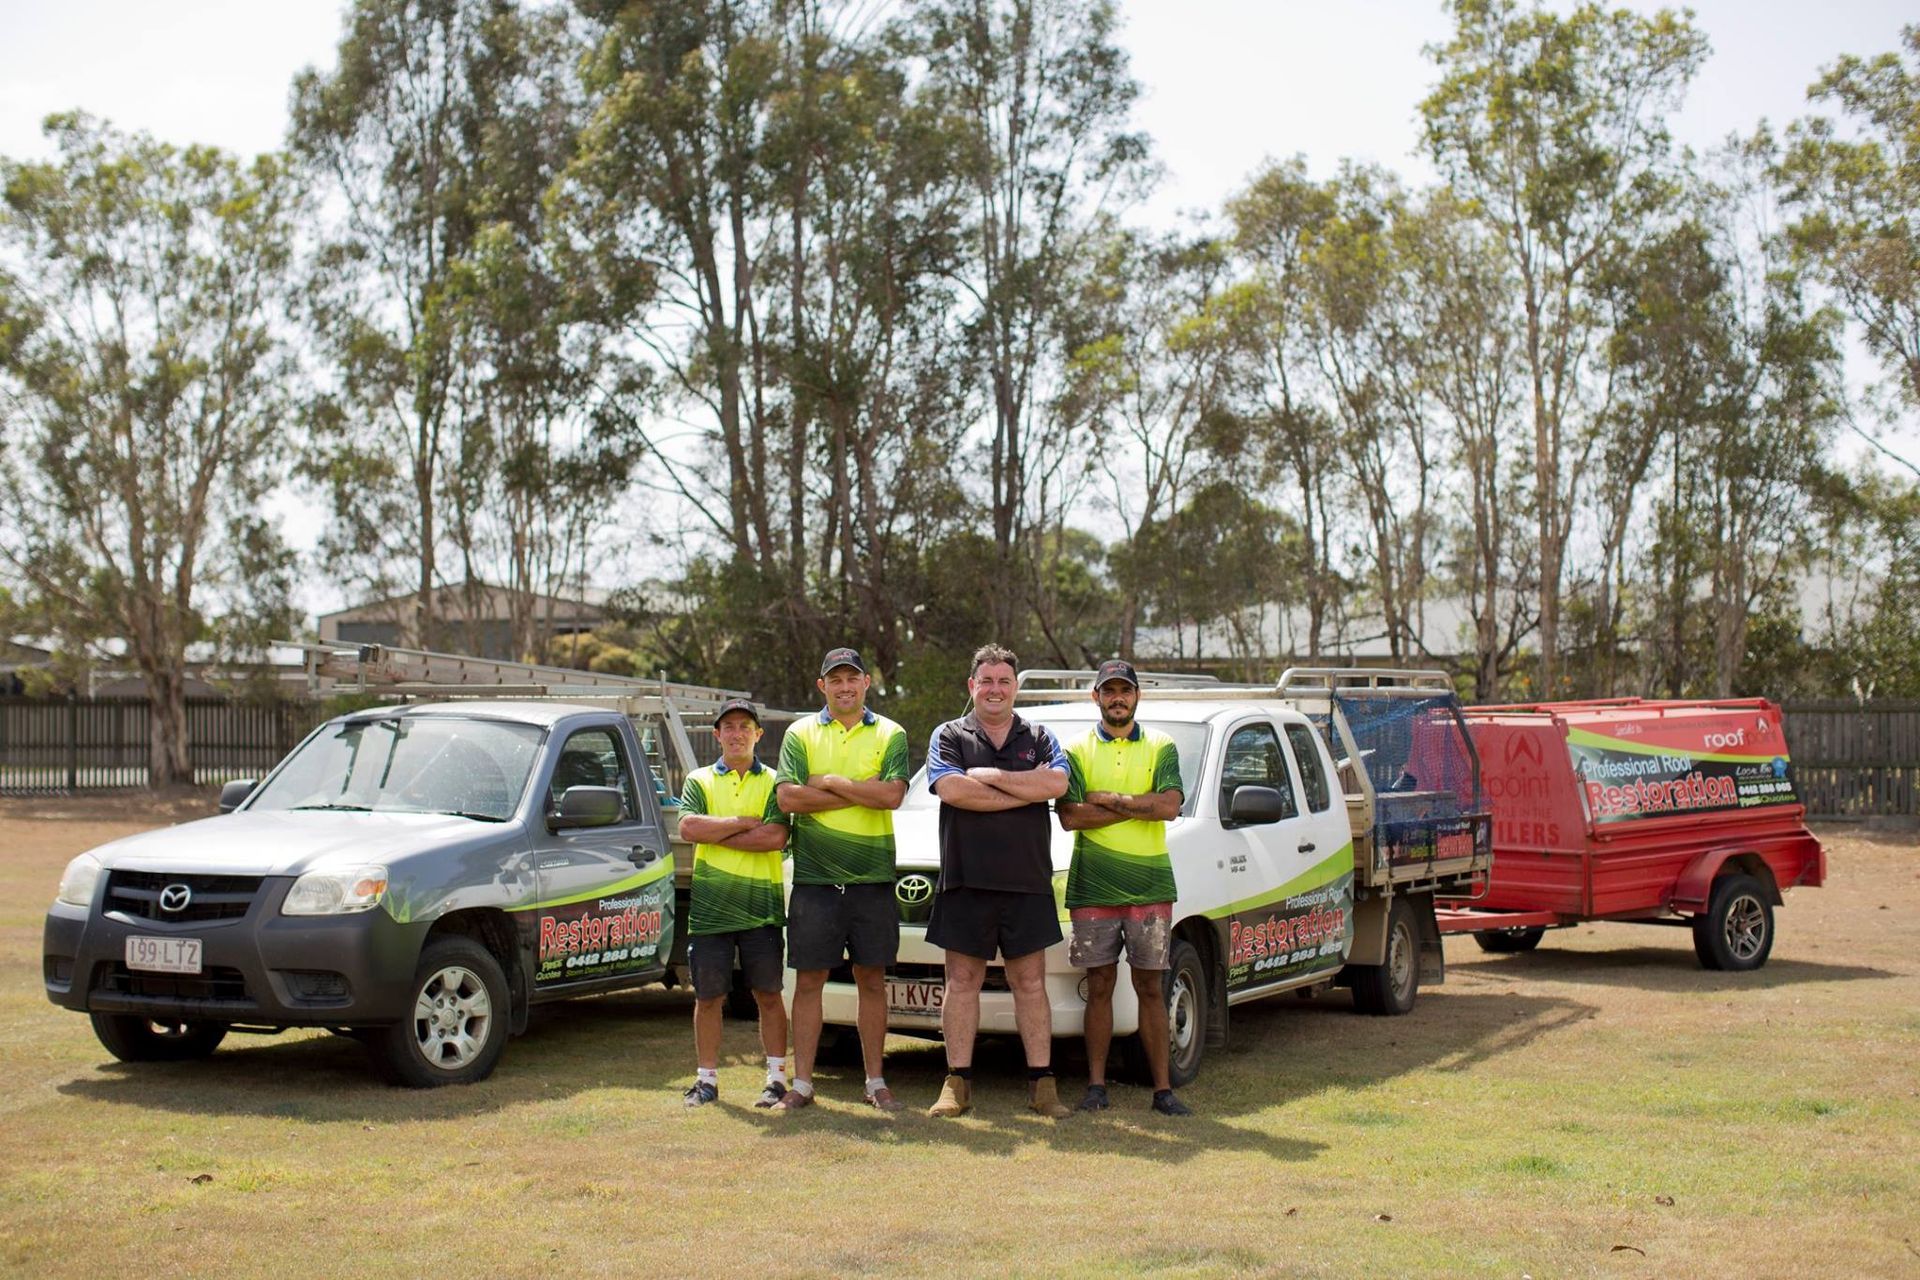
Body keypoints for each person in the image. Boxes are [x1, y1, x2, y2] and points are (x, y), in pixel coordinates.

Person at [924, 644, 1073, 1119]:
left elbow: (1056, 786)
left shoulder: (1041, 735)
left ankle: (1042, 1087)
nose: (994, 689)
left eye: (1003, 681)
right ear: (972, 686)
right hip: (966, 880)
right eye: (985, 681)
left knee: (1030, 982)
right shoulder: (948, 735)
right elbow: (952, 790)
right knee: (961, 981)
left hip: (1027, 881)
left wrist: (988, 777)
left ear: (1015, 687)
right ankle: (957, 1085)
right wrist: (1023, 789)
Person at [773, 647, 910, 1111]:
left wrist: (828, 781)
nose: (845, 687)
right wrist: (859, 790)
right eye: (836, 680)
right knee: (809, 982)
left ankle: (875, 1082)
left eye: (853, 679)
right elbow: (789, 798)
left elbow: (891, 795)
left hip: (871, 882)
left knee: (871, 981)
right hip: (815, 881)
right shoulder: (799, 732)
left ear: (866, 682)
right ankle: (804, 1084)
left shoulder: (891, 732)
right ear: (822, 686)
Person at [1056, 660, 1192, 1116]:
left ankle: (1162, 1090)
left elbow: (1170, 806)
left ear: (1137, 696)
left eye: (1125, 690)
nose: (1118, 698)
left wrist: (1108, 799)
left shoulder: (1161, 745)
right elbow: (1071, 816)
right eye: (1108, 690)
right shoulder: (1074, 749)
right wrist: (1140, 806)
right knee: (1099, 985)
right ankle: (1096, 1086)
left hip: (1150, 886)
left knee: (1152, 988)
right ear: (1095, 697)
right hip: (1093, 886)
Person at [676, 699, 791, 1108]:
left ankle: (777, 1080)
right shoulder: (699, 780)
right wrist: (743, 823)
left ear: (758, 734)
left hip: (762, 909)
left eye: (745, 726)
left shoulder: (777, 781)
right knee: (707, 997)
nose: (737, 733)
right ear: (717, 735)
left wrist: (717, 831)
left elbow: (776, 838)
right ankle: (706, 1081)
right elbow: (689, 826)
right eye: (729, 727)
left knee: (768, 994)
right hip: (711, 910)